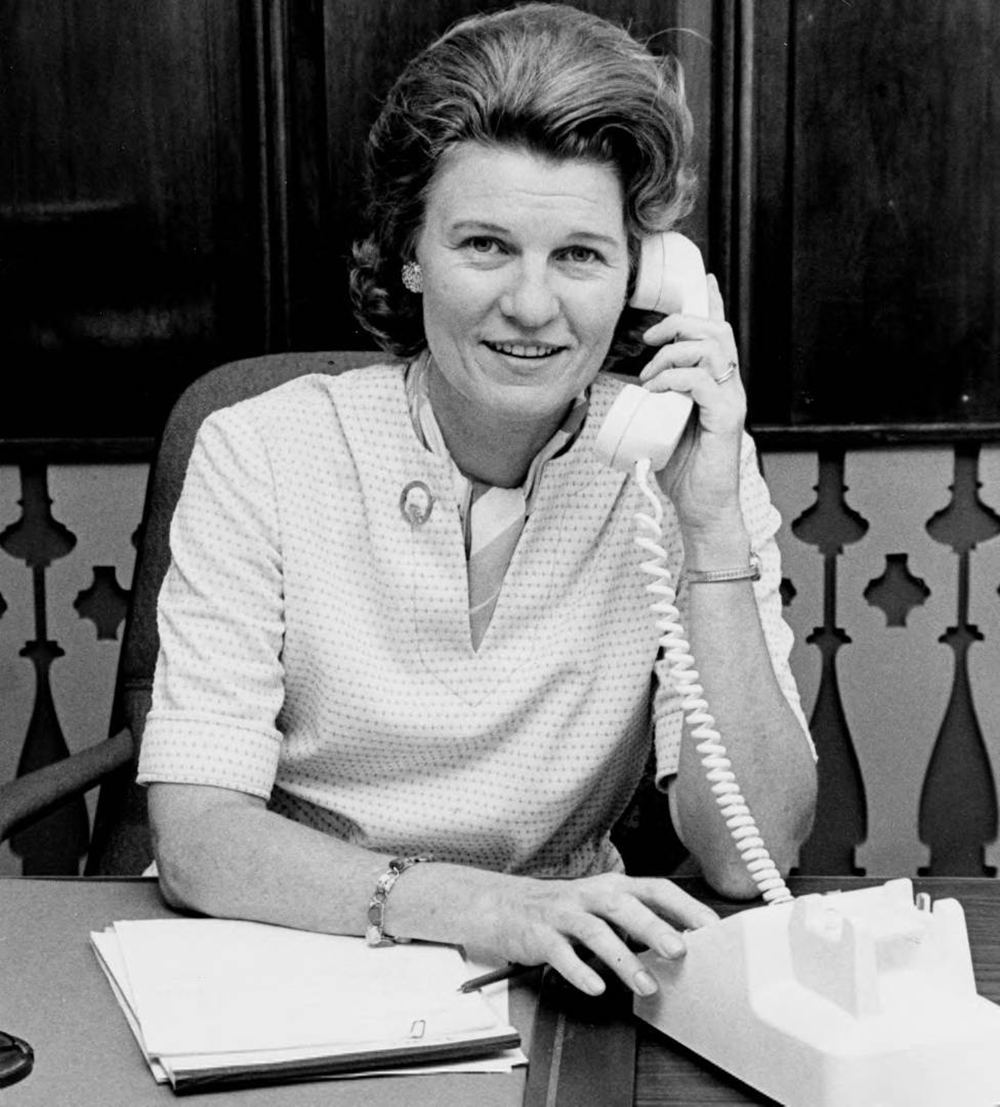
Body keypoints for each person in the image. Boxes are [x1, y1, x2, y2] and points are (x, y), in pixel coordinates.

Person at [139, 2, 816, 1000]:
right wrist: (480, 907)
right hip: (282, 957)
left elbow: (747, 852)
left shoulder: (679, 473)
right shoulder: (260, 451)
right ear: (409, 254)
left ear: (647, 277)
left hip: (563, 979)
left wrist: (709, 528)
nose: (534, 306)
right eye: (486, 246)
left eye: (579, 254)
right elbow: (197, 840)